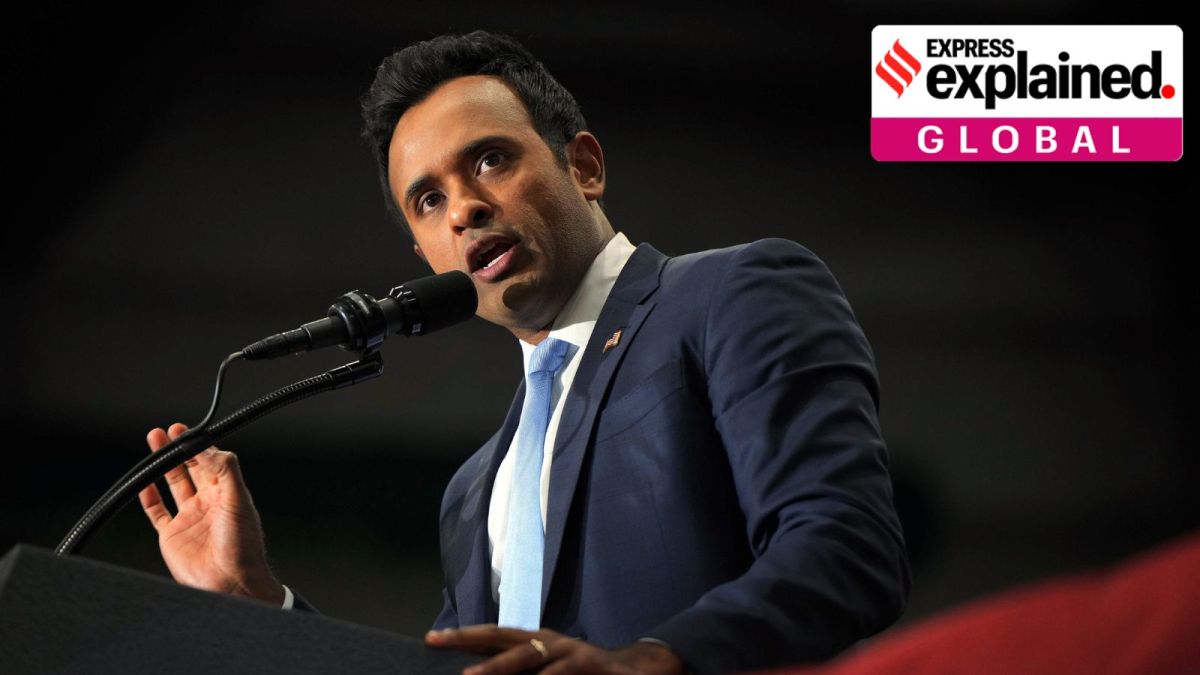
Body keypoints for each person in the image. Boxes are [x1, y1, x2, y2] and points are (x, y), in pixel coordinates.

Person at [137, 31, 910, 675]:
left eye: (490, 160)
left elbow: (846, 547)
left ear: (583, 165)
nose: (465, 209)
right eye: (429, 200)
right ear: (426, 254)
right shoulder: (474, 490)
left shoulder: (729, 295)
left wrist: (650, 660)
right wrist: (259, 605)